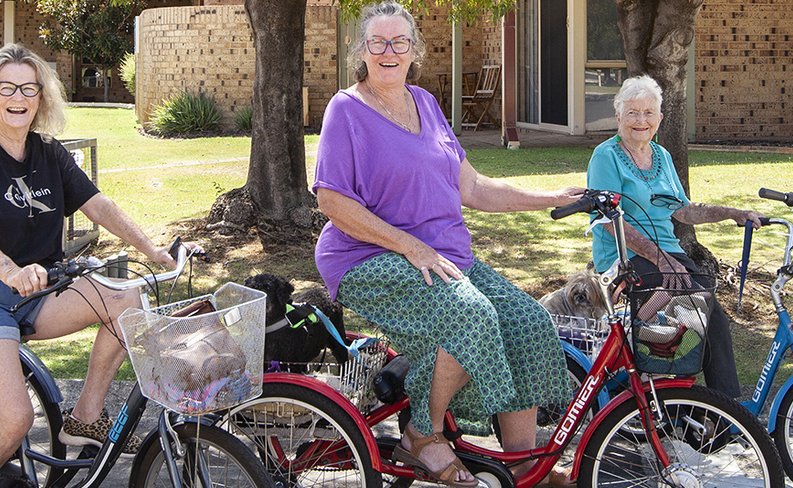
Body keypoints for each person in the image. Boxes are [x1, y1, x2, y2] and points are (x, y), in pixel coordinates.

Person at [312, 3, 580, 487]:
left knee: (529, 321)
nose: (389, 51)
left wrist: (553, 196)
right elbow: (332, 200)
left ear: (415, 50)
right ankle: (423, 434)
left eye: (400, 42)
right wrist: (410, 247)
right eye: (378, 42)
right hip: (367, 256)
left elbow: (472, 189)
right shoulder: (346, 109)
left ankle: (522, 462)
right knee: (470, 315)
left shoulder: (426, 104)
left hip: (445, 257)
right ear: (363, 50)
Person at [0, 43, 179, 488]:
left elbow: (98, 205)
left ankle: (83, 417)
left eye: (29, 88)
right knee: (15, 418)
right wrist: (11, 272)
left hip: (34, 290)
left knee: (127, 300)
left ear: (41, 98)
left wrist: (152, 250)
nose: (18, 97)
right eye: (7, 87)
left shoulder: (48, 152)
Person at [586, 75, 765, 398]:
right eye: (632, 113)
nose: (641, 120)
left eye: (648, 113)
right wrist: (660, 258)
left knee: (713, 319)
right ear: (618, 116)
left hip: (669, 258)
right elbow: (609, 220)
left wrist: (734, 213)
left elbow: (683, 210)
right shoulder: (606, 156)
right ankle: (659, 401)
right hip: (624, 260)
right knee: (683, 314)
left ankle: (723, 411)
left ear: (660, 119)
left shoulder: (663, 157)